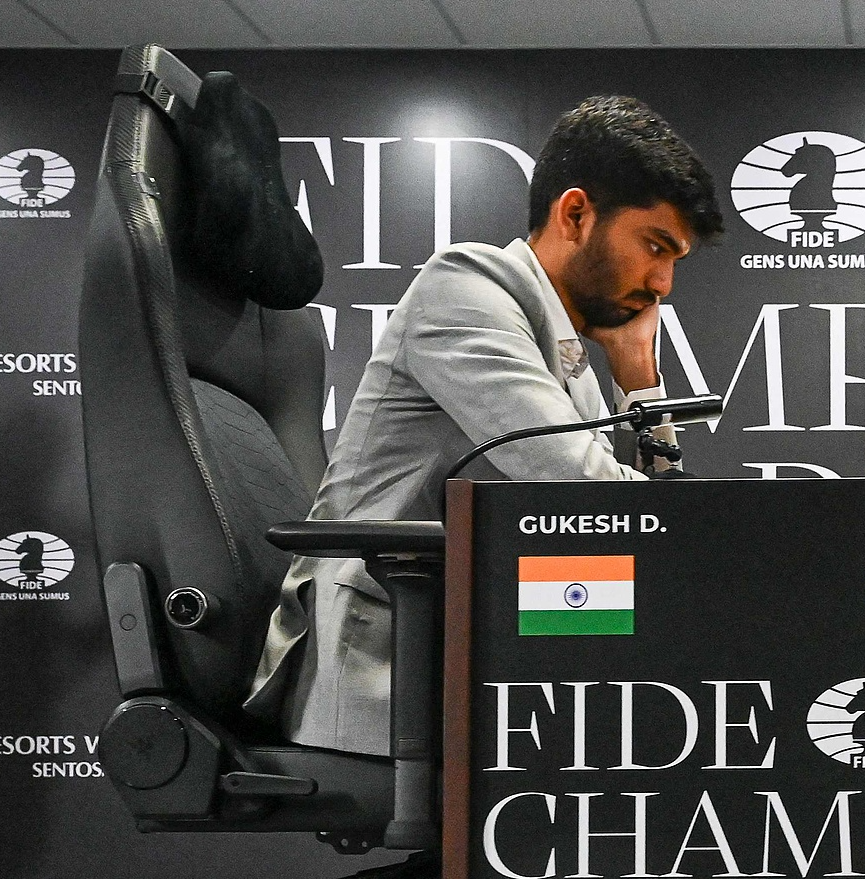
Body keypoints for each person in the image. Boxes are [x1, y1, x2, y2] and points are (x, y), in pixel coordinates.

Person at [246, 94, 724, 756]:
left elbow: (625, 514)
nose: (664, 283)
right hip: (390, 669)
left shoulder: (563, 345)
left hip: (466, 646)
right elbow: (585, 492)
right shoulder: (466, 290)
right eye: (654, 246)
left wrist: (640, 377)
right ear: (577, 214)